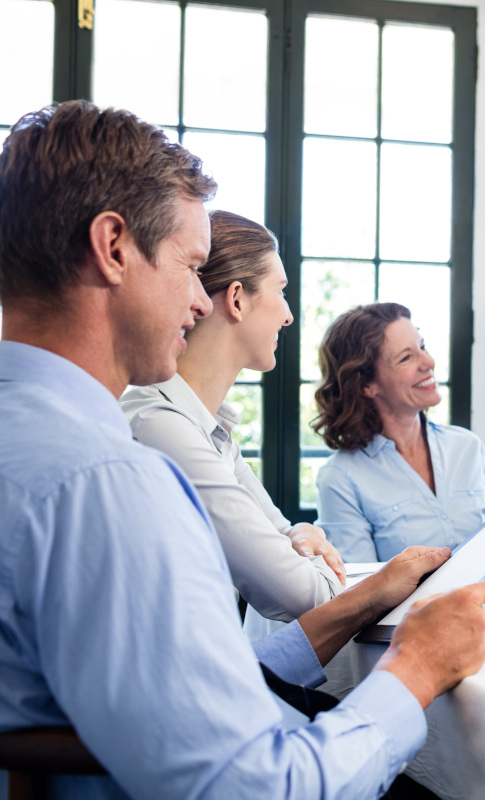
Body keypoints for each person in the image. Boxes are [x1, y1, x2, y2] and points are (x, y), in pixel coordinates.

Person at [0, 100, 485, 798]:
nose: (201, 301)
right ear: (112, 248)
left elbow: (191, 689)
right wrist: (415, 669)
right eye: (190, 265)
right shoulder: (107, 482)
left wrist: (371, 602)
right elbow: (259, 787)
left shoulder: (14, 438)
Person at [121, 210, 345, 636]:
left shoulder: (210, 430)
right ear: (237, 299)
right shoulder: (160, 426)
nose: (288, 316)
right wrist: (302, 547)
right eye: (281, 291)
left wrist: (299, 533)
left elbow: (283, 534)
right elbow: (307, 597)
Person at [313, 302, 485, 562]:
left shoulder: (467, 447)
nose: (429, 362)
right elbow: (362, 591)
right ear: (366, 384)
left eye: (422, 347)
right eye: (406, 357)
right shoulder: (340, 479)